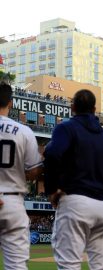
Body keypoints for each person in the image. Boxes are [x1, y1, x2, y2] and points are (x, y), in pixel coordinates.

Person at [43, 89, 103, 270]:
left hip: (75, 202)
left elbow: (52, 155)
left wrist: (52, 189)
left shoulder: (66, 128)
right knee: (102, 267)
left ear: (72, 107)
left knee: (69, 265)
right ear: (94, 109)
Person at [0, 82, 43, 269]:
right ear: (10, 103)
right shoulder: (24, 131)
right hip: (12, 202)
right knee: (16, 266)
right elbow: (34, 171)